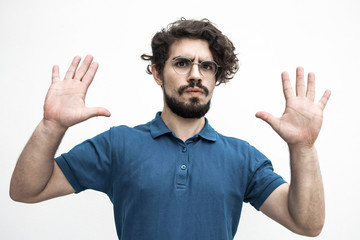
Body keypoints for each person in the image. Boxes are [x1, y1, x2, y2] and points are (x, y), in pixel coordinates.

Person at [10, 18, 331, 239]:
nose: (196, 74)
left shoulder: (242, 158)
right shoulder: (117, 145)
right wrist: (51, 126)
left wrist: (302, 148)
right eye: (182, 63)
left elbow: (307, 223)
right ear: (157, 73)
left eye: (206, 66)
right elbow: (27, 190)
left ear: (216, 78)